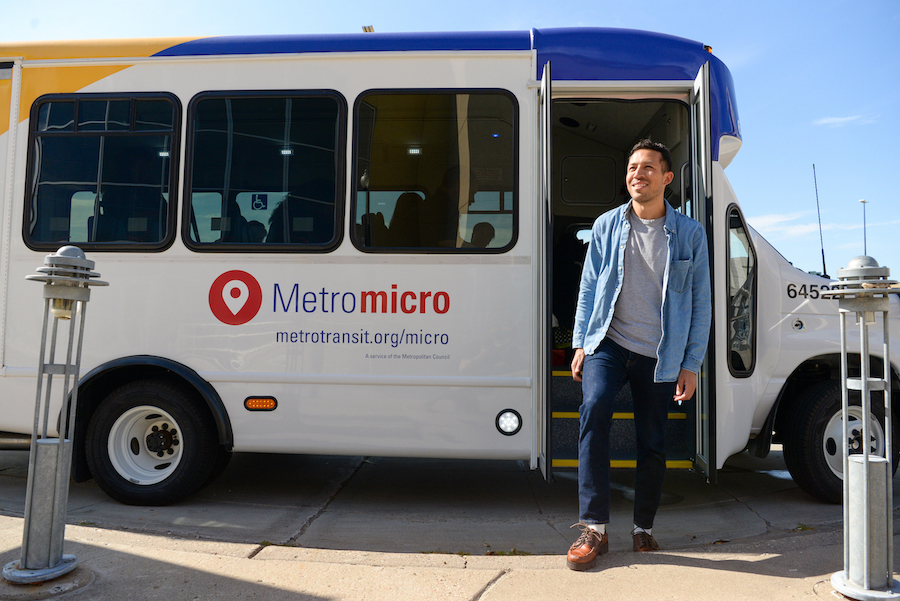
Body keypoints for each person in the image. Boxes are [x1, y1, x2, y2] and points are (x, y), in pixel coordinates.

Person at [566, 140, 711, 571]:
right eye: (632, 167)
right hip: (608, 342)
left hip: (660, 354)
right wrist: (580, 342)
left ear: (666, 178)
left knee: (653, 441)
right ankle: (594, 528)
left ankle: (642, 528)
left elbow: (702, 303)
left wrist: (691, 364)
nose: (637, 174)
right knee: (593, 410)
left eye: (647, 167)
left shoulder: (690, 233)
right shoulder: (608, 225)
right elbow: (589, 285)